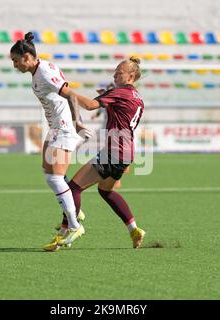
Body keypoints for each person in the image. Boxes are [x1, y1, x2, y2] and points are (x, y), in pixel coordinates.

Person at [44, 57, 146, 251]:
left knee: (73, 187)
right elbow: (122, 113)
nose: (115, 74)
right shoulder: (136, 96)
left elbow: (90, 105)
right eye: (115, 71)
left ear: (131, 75)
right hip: (126, 151)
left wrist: (68, 93)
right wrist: (108, 97)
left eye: (119, 72)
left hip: (114, 151)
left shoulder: (120, 92)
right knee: (105, 191)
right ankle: (134, 229)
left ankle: (67, 231)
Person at [10, 32, 90, 248]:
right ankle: (71, 217)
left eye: (16, 60)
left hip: (63, 128)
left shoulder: (44, 72)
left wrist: (77, 122)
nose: (14, 65)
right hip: (55, 128)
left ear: (27, 57)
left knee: (55, 178)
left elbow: (71, 95)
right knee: (48, 173)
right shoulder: (39, 71)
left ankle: (74, 225)